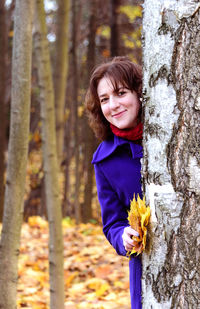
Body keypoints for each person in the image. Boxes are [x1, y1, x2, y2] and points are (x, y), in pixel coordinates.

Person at [85, 56, 143, 309]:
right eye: (105, 99)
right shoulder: (104, 159)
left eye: (121, 93)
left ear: (140, 93)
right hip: (150, 266)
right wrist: (123, 236)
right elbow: (112, 223)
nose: (113, 105)